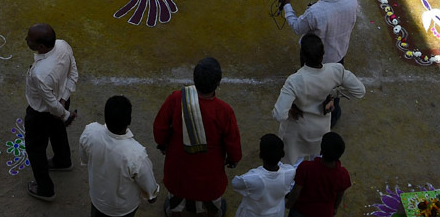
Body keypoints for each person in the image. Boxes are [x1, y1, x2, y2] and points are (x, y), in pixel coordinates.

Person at [153, 57, 242, 217]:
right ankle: (210, 209)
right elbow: (233, 144)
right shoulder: (224, 111)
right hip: (210, 174)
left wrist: (162, 144)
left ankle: (175, 209)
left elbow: (160, 128)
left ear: (194, 79)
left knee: (176, 195)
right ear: (218, 83)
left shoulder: (176, 98)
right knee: (212, 200)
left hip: (178, 168)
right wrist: (233, 159)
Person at [273, 34, 365, 164]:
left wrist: (291, 110)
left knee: (293, 165)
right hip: (321, 130)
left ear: (303, 56)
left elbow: (279, 115)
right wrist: (335, 93)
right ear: (323, 54)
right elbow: (359, 91)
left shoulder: (294, 80)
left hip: (298, 131)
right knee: (316, 162)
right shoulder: (336, 70)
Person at [23, 23, 79, 202]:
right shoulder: (63, 45)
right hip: (62, 100)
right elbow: (73, 74)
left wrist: (63, 114)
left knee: (35, 148)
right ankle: (63, 161)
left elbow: (49, 104)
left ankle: (45, 189)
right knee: (57, 131)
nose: (26, 40)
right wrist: (64, 102)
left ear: (41, 47)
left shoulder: (40, 73)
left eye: (29, 39)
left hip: (43, 112)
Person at [80, 96, 159, 217]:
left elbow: (85, 159)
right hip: (123, 209)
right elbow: (149, 185)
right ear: (129, 121)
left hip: (97, 200)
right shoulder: (136, 154)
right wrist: (152, 195)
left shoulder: (90, 132)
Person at [286, 133, 351, 217]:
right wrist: (335, 208)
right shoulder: (343, 174)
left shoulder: (305, 167)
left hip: (301, 211)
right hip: (325, 213)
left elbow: (296, 191)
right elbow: (340, 194)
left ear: (321, 150)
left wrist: (288, 204)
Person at [231, 135, 295, 217]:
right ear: (282, 154)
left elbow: (235, 184)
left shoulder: (251, 178)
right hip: (277, 213)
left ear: (260, 155)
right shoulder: (290, 172)